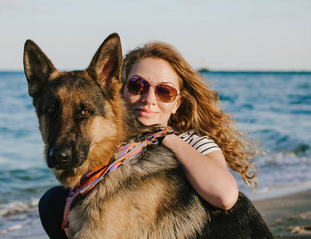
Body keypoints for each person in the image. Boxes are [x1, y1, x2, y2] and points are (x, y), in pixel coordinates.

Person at [39, 41, 258, 238]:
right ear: (120, 88)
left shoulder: (192, 141)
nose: (149, 99)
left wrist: (166, 137)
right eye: (137, 86)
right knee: (54, 201)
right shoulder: (118, 147)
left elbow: (226, 195)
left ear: (177, 103)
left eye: (164, 92)